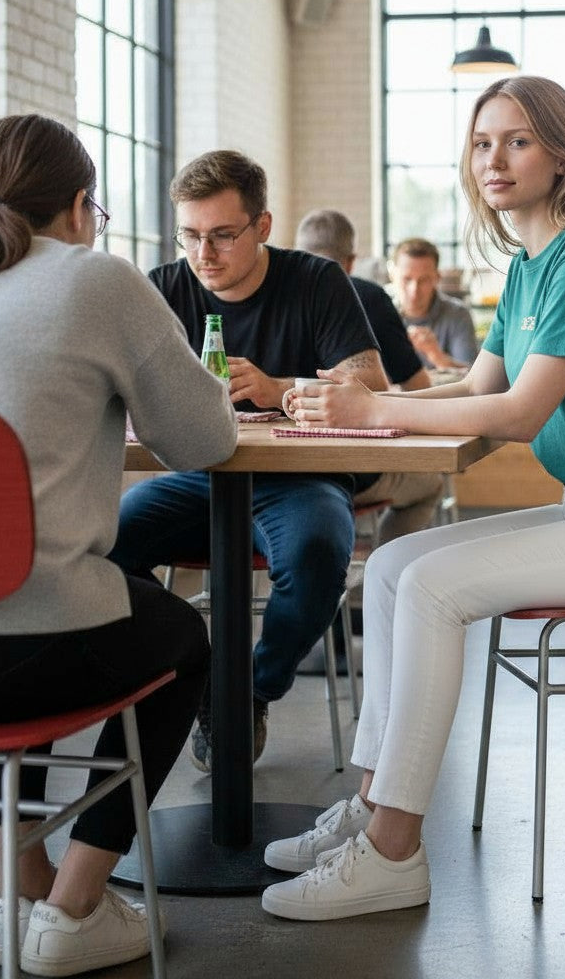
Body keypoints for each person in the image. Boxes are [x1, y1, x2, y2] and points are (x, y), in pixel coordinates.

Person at [259, 75, 565, 922]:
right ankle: (370, 806)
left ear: (561, 156)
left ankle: (395, 854)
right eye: (481, 143)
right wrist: (346, 404)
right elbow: (474, 382)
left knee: (430, 586)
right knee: (395, 563)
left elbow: (518, 413)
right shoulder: (532, 263)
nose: (494, 160)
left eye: (516, 141)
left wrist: (375, 409)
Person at [0, 115, 236, 975]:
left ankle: (24, 888)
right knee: (182, 637)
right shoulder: (98, 280)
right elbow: (204, 442)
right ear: (83, 205)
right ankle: (75, 904)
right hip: (39, 637)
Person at [109, 151, 388, 772]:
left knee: (317, 554)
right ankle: (196, 662)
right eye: (190, 236)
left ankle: (248, 689)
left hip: (299, 478)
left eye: (221, 236)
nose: (203, 254)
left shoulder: (315, 280)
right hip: (197, 476)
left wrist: (278, 387)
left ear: (262, 227)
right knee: (106, 546)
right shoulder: (163, 288)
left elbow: (370, 382)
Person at [295, 209, 445, 545]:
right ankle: (381, 575)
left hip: (269, 472)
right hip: (351, 470)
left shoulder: (275, 295)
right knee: (431, 482)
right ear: (350, 262)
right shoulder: (369, 297)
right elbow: (416, 386)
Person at [391, 237, 479, 370]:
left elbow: (474, 377)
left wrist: (437, 356)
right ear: (392, 275)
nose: (414, 290)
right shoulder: (377, 313)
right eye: (407, 279)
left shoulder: (458, 314)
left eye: (424, 280)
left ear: (437, 278)